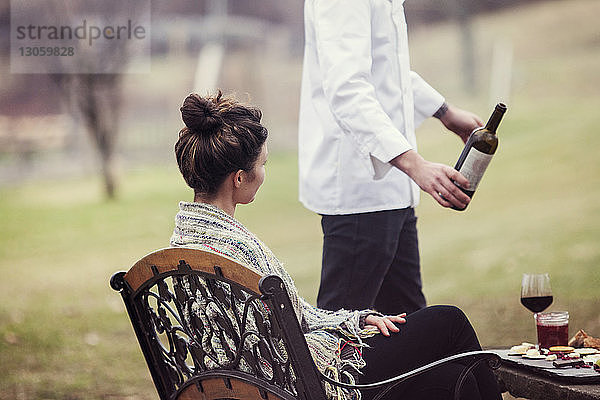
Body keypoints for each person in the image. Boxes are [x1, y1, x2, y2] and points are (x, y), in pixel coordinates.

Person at [170, 91, 501, 400]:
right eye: (262, 165)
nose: (264, 173)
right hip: (303, 384)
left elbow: (280, 324)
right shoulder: (234, 248)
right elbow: (285, 340)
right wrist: (341, 337)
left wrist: (355, 322)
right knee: (449, 322)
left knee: (452, 381)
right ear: (239, 177)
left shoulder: (182, 243)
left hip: (257, 381)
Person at [298, 0, 485, 315]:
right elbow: (347, 91)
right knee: (339, 334)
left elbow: (388, 72)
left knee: (408, 323)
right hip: (360, 194)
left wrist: (445, 112)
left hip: (394, 192)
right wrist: (416, 165)